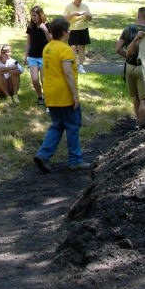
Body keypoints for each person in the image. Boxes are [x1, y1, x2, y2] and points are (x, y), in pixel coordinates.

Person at [33, 17, 90, 173]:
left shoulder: (48, 48)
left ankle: (43, 154)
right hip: (64, 94)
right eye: (69, 29)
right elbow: (68, 73)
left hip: (51, 93)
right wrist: (75, 96)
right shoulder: (66, 50)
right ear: (65, 33)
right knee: (72, 125)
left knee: (57, 125)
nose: (70, 32)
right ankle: (75, 160)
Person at [115, 7, 145, 128]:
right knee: (144, 99)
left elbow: (117, 49)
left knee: (135, 98)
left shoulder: (129, 29)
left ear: (138, 16)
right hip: (144, 68)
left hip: (129, 67)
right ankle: (141, 125)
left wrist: (128, 57)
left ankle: (137, 122)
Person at [24, 5, 51, 107]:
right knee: (34, 80)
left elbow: (51, 41)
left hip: (44, 57)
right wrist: (25, 56)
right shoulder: (31, 27)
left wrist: (45, 30)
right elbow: (28, 43)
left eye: (35, 15)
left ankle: (48, 98)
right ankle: (40, 96)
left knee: (44, 80)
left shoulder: (47, 25)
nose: (33, 18)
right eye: (32, 16)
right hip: (33, 57)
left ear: (40, 15)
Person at [64, 0, 92, 74]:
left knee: (82, 47)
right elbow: (64, 18)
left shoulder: (85, 6)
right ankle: (73, 65)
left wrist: (87, 16)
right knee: (73, 47)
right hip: (73, 29)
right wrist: (73, 14)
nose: (79, 1)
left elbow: (90, 18)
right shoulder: (68, 7)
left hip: (83, 28)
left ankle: (81, 66)